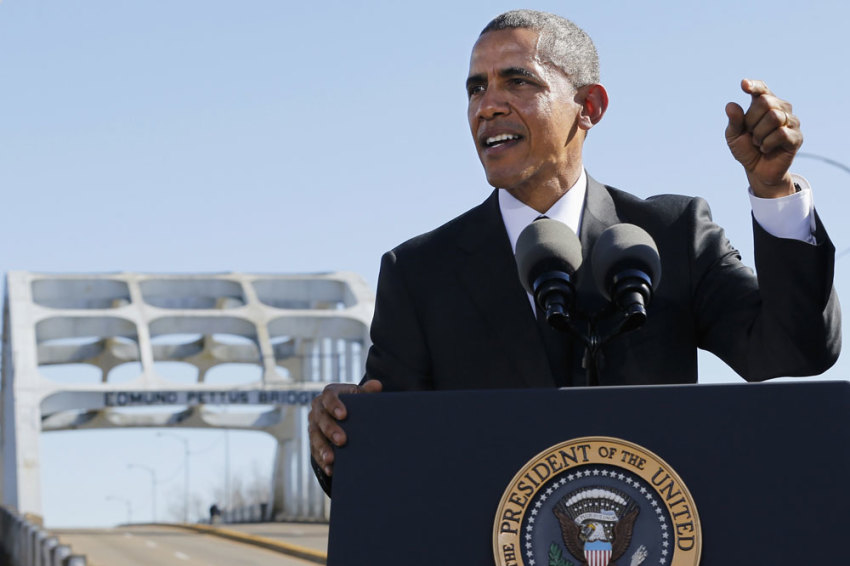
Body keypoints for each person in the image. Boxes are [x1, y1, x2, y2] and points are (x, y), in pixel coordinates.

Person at [308, 10, 841, 494]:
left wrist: (773, 191)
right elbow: (389, 472)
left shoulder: (673, 235)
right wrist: (339, 438)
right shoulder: (419, 273)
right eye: (476, 88)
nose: (487, 105)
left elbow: (795, 350)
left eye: (517, 81)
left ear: (589, 107)